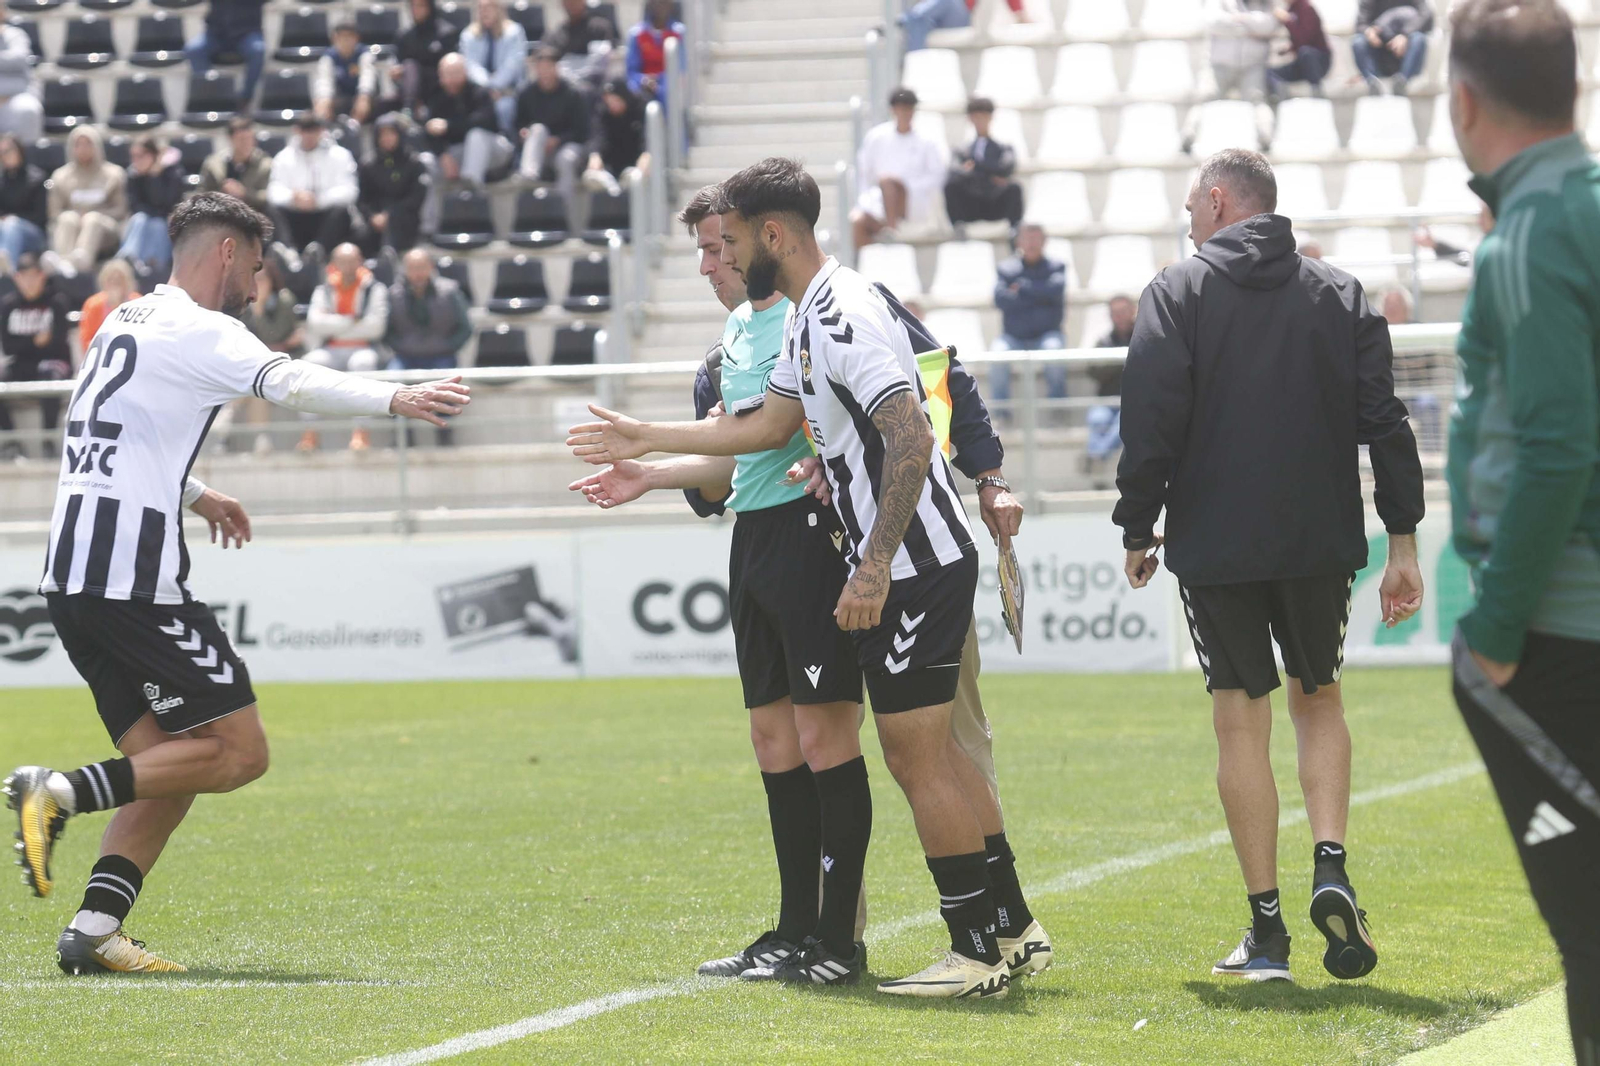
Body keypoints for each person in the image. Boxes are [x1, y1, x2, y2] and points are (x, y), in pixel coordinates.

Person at [568, 157, 1042, 1000]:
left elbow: (911, 434)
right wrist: (644, 441)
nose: (724, 254)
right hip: (899, 559)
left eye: (733, 239)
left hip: (913, 563)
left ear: (771, 236)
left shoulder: (845, 312)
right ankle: (1005, 929)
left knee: (915, 756)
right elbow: (770, 425)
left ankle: (973, 951)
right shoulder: (803, 320)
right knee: (925, 754)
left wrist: (870, 565)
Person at [2, 193, 468, 975]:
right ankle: (59, 791)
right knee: (240, 752)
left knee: (177, 762)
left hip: (71, 578)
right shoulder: (207, 330)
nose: (255, 287)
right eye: (253, 267)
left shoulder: (124, 320)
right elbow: (289, 382)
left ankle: (93, 929)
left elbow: (119, 436)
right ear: (225, 253)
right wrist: (394, 396)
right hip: (133, 581)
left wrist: (197, 493)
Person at [1114, 149, 1425, 984]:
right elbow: (1385, 422)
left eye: (1191, 206)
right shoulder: (1340, 293)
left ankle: (1269, 935)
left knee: (1239, 718)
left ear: (1218, 202)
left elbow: (1149, 416)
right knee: (1318, 698)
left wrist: (1136, 524)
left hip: (1216, 546)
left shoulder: (1176, 292)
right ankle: (1331, 864)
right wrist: (1403, 542)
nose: (1187, 221)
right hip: (1320, 540)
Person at [1444, 2, 1600, 1057]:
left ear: (1462, 100)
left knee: (1588, 929)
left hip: (1554, 631)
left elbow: (1555, 446)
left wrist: (1494, 630)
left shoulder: (1532, 233)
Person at [301, 243, 389, 452]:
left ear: (360, 262)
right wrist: (353, 321)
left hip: (363, 348)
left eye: (352, 261)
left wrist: (335, 326)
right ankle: (310, 432)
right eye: (342, 262)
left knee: (363, 364)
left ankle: (361, 433)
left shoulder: (374, 289)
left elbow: (375, 328)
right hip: (331, 350)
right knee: (309, 364)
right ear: (334, 264)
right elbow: (316, 324)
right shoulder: (324, 289)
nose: (347, 266)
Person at [852, 88, 946, 248]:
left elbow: (937, 175)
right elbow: (865, 173)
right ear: (893, 110)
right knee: (857, 221)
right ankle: (866, 264)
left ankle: (892, 233)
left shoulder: (927, 140)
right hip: (879, 203)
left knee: (888, 182)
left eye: (908, 108)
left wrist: (908, 186)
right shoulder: (876, 137)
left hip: (913, 202)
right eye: (900, 108)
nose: (904, 112)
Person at [0, 250, 70, 458]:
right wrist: (35, 341)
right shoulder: (9, 305)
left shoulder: (56, 301)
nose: (28, 282)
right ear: (16, 279)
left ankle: (48, 441)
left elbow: (56, 343)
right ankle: (11, 442)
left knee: (49, 374)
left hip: (55, 362)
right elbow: (8, 346)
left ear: (42, 276)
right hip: (22, 364)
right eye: (23, 277)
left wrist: (28, 344)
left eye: (33, 276)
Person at [990, 223, 1067, 405]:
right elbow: (1000, 299)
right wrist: (1040, 292)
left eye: (1036, 239)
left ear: (1044, 241)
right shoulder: (1005, 269)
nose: (1032, 244)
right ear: (1018, 242)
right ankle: (1001, 414)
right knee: (997, 354)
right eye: (1027, 239)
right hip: (1013, 338)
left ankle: (1057, 409)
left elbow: (1055, 290)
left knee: (1054, 351)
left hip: (1047, 335)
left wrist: (1021, 288)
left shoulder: (1057, 266)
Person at [1186, 0, 1277, 151]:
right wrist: (1249, 28)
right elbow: (1213, 21)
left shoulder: (1265, 3)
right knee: (1204, 97)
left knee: (1258, 100)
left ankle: (1266, 139)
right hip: (1219, 65)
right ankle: (1188, 137)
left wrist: (1241, 19)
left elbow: (1268, 25)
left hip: (1252, 65)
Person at [268, 114, 359, 253]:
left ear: (321, 131)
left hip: (325, 215)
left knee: (341, 212)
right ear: (297, 131)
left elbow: (350, 191)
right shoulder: (284, 157)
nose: (309, 135)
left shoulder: (340, 155)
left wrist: (318, 200)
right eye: (305, 131)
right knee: (272, 210)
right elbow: (273, 191)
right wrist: (293, 197)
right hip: (295, 214)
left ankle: (319, 252)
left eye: (313, 131)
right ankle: (288, 253)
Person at [422, 53, 516, 187]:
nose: (451, 79)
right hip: (460, 152)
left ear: (465, 72)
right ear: (440, 75)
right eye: (447, 74)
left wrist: (449, 126)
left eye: (455, 73)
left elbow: (483, 122)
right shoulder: (436, 97)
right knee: (427, 161)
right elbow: (429, 132)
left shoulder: (479, 92)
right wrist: (443, 155)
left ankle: (470, 190)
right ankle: (431, 208)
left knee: (475, 136)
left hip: (495, 149)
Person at [516, 46, 589, 206]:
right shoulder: (526, 93)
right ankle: (529, 177)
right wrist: (523, 133)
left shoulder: (573, 93)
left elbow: (582, 131)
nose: (544, 72)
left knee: (566, 159)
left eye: (548, 67)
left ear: (557, 68)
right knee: (537, 129)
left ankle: (564, 208)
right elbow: (518, 125)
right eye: (540, 68)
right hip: (537, 150)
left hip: (567, 146)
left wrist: (557, 140)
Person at [49, 127, 127, 276]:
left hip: (104, 228)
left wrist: (94, 213)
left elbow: (120, 209)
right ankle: (64, 264)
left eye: (88, 144)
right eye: (78, 144)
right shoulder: (60, 176)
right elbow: (54, 212)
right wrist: (76, 215)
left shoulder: (113, 174)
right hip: (73, 225)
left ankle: (82, 261)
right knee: (67, 218)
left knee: (92, 219)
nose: (83, 148)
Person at [944, 97, 1023, 230]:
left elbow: (1006, 168)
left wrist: (974, 166)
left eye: (984, 116)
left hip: (995, 201)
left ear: (991, 117)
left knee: (1014, 188)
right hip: (971, 203)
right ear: (970, 119)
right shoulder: (961, 150)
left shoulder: (1003, 148)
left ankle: (1014, 231)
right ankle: (958, 226)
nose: (980, 121)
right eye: (976, 117)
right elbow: (954, 171)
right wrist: (991, 173)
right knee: (951, 186)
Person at [359, 114, 431, 254]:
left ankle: (388, 256)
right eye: (382, 134)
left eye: (391, 133)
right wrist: (372, 216)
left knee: (395, 224)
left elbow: (417, 197)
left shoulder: (414, 163)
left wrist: (390, 214)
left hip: (405, 220)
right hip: (374, 221)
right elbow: (362, 199)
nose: (387, 138)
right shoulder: (368, 165)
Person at [116, 137, 187, 276]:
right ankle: (128, 257)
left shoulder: (173, 172)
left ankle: (152, 265)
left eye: (140, 156)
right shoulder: (132, 175)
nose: (136, 160)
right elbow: (135, 206)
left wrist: (154, 176)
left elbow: (168, 205)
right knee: (140, 219)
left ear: (153, 155)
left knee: (158, 224)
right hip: (144, 221)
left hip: (164, 224)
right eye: (133, 156)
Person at [460, 0, 530, 136]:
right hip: (480, 93)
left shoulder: (514, 31)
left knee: (505, 108)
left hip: (508, 91)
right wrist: (488, 89)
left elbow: (513, 64)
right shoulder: (468, 35)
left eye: (488, 8)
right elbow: (471, 65)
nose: (484, 12)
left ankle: (510, 143)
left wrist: (495, 86)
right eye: (480, 8)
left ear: (498, 9)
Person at [184, 0, 267, 110]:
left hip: (247, 33)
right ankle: (216, 94)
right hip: (216, 34)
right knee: (194, 50)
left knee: (258, 50)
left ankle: (245, 97)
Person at [1087, 294, 1134, 465]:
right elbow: (1092, 371)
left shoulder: (1143, 337)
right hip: (1107, 400)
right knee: (1096, 419)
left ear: (1133, 311)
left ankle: (1096, 458)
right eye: (1115, 313)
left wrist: (1114, 364)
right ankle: (1096, 460)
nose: (1119, 316)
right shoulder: (1104, 341)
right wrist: (1122, 363)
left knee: (1123, 424)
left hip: (1134, 400)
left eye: (1123, 311)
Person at [1353, 0, 1434, 96]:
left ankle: (1402, 81)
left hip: (1405, 52)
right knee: (1358, 42)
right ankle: (1372, 81)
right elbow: (1360, 23)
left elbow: (1426, 16)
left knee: (1418, 38)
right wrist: (1369, 32)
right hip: (1380, 48)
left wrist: (1405, 35)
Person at [396, 0, 463, 113]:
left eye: (420, 6)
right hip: (412, 90)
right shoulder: (404, 36)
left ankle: (410, 110)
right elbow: (399, 63)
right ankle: (408, 109)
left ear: (430, 7)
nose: (416, 10)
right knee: (409, 66)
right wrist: (397, 71)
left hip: (440, 89)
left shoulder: (447, 33)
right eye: (413, 6)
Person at [199, 118, 275, 217]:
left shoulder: (266, 164)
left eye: (250, 139)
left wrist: (245, 193)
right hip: (220, 215)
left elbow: (270, 195)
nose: (247, 144)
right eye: (241, 139)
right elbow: (202, 192)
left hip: (255, 215)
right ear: (230, 139)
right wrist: (221, 194)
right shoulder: (213, 164)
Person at [312, 19, 378, 131]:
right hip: (340, 99)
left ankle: (354, 126)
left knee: (364, 100)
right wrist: (324, 100)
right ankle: (323, 131)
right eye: (341, 36)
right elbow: (324, 82)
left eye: (349, 36)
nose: (345, 40)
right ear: (334, 38)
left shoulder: (364, 54)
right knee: (321, 103)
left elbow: (367, 78)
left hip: (364, 99)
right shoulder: (328, 57)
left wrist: (363, 96)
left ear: (356, 38)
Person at [585, 77, 647, 196]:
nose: (613, 105)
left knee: (635, 176)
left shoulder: (641, 107)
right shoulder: (603, 111)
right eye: (609, 101)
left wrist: (647, 154)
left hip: (635, 164)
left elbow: (646, 137)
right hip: (611, 166)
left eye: (616, 100)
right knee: (591, 176)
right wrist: (595, 155)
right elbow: (598, 136)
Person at [901, 0, 1027, 53]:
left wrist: (1021, 15)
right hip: (937, 15)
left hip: (959, 13)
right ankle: (914, 56)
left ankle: (907, 19)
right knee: (919, 21)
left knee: (919, 16)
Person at [543, 0, 619, 86]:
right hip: (565, 92)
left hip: (595, 88)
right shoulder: (555, 35)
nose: (572, 4)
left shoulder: (600, 28)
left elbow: (602, 63)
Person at [0, 133, 48, 268]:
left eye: (8, 150)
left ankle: (8, 268)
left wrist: (14, 219)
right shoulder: (1, 181)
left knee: (11, 224)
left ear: (19, 151)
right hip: (4, 229)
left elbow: (40, 217)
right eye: (1, 152)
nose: (5, 155)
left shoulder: (37, 178)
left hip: (34, 235)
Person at [1269, 0, 1333, 97]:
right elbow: (1300, 40)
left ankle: (1317, 90)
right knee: (1270, 72)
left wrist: (1287, 20)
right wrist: (1290, 48)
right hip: (1302, 61)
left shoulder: (1307, 8)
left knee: (1306, 52)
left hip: (1319, 61)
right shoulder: (1291, 9)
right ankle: (1283, 95)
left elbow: (1305, 39)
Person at [625, 0, 683, 105]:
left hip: (671, 83)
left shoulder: (679, 33)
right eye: (656, 2)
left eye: (663, 2)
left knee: (665, 91)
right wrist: (644, 80)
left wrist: (660, 79)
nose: (660, 6)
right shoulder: (637, 34)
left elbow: (682, 68)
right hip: (644, 85)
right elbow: (631, 71)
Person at [0, 2, 42, 142]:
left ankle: (27, 161)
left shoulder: (15, 35)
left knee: (28, 110)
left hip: (14, 99)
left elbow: (19, 59)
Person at [77, 259, 139, 354]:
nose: (114, 284)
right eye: (111, 280)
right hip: (100, 355)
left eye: (119, 280)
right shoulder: (93, 305)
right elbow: (86, 339)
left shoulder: (138, 302)